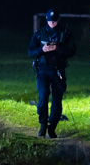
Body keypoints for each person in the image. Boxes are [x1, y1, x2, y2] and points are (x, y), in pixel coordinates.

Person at [28, 9, 76, 138]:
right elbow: (30, 51)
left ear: (58, 20)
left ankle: (52, 127)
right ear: (46, 20)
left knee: (57, 100)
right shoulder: (39, 33)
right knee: (43, 97)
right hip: (43, 70)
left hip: (58, 70)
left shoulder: (64, 33)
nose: (52, 23)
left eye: (54, 21)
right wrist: (41, 49)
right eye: (50, 21)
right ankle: (43, 123)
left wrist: (57, 48)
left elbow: (72, 51)